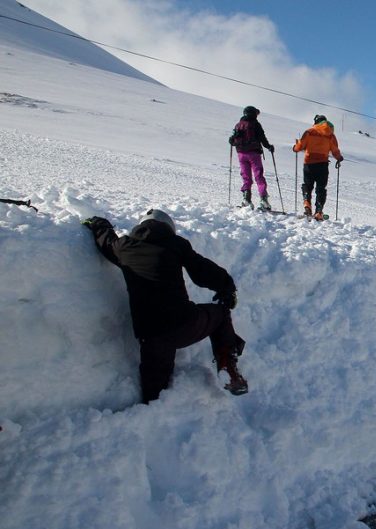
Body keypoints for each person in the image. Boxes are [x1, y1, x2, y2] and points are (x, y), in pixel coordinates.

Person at [82, 209, 249, 403]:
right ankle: (227, 364)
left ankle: (148, 420)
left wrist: (97, 222)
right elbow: (202, 270)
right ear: (169, 228)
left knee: (155, 399)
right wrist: (227, 289)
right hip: (184, 323)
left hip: (151, 336)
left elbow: (106, 240)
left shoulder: (123, 247)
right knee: (220, 314)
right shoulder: (176, 245)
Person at [293, 114, 344, 220]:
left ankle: (307, 204)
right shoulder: (330, 135)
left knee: (308, 185)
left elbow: (300, 146)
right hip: (322, 165)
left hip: (309, 164)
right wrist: (339, 157)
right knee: (321, 188)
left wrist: (295, 147)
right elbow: (334, 150)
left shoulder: (309, 132)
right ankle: (319, 211)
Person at [229, 105, 275, 210]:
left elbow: (232, 140)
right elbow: (262, 138)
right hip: (254, 154)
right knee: (258, 176)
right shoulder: (255, 124)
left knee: (246, 177)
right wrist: (269, 147)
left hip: (241, 154)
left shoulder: (238, 125)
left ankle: (246, 199)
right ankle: (264, 200)